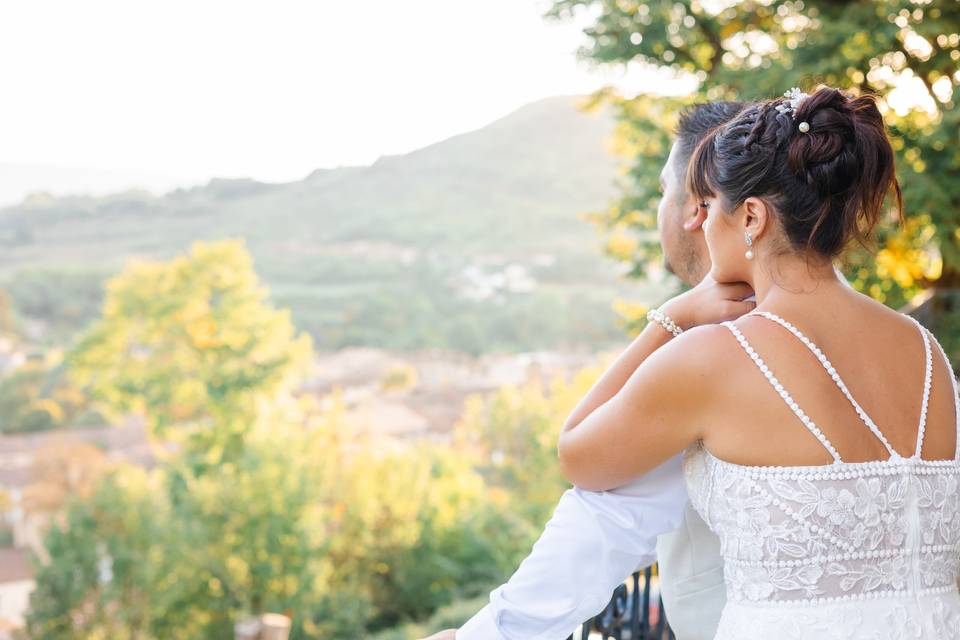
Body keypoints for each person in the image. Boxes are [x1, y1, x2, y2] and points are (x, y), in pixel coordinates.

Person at [556, 85, 960, 638]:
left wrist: (671, 317)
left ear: (750, 217)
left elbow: (578, 453)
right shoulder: (926, 351)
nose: (697, 223)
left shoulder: (714, 359)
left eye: (706, 207)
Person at [425, 100, 751, 640]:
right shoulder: (899, 340)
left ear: (696, 207)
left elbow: (608, 509)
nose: (659, 207)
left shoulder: (717, 345)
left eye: (661, 190)